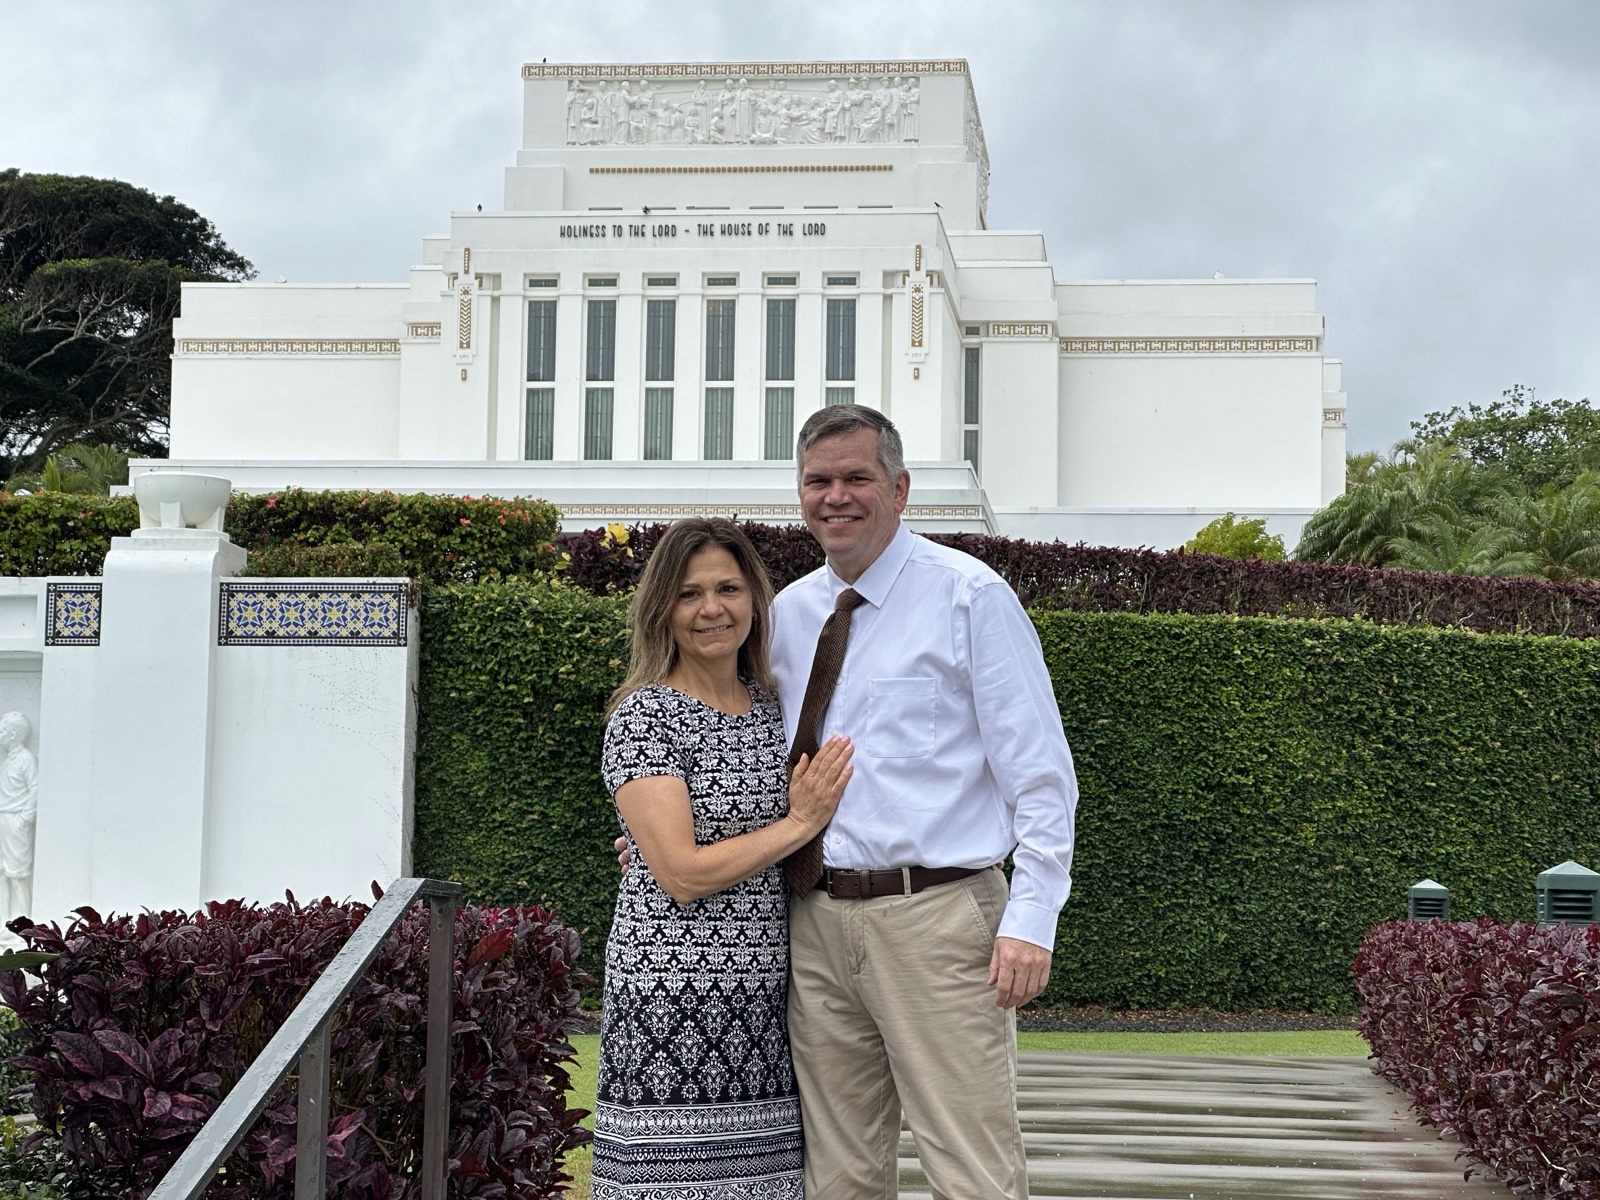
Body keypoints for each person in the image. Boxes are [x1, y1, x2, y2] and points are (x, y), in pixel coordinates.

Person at [774, 404, 1077, 1199]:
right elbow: (758, 760)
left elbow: (1041, 773)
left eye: (857, 477)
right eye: (817, 480)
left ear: (900, 488)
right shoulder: (787, 615)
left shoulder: (969, 597)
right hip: (815, 922)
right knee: (837, 1175)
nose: (836, 496)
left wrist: (1032, 917)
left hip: (938, 920)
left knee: (970, 1169)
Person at [594, 518, 854, 1200]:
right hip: (669, 997)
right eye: (690, 593)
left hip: (765, 998)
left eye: (729, 589)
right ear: (662, 609)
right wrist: (799, 823)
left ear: (754, 600)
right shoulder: (646, 716)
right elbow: (681, 873)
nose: (712, 608)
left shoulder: (775, 707)